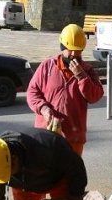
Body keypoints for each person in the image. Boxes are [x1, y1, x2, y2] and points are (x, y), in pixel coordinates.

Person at [26, 24, 103, 154]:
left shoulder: (88, 70)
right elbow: (32, 92)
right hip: (46, 135)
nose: (74, 54)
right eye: (70, 50)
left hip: (73, 138)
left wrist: (81, 76)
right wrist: (43, 109)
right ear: (62, 47)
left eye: (78, 50)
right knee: (45, 173)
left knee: (70, 174)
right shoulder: (47, 66)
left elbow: (95, 96)